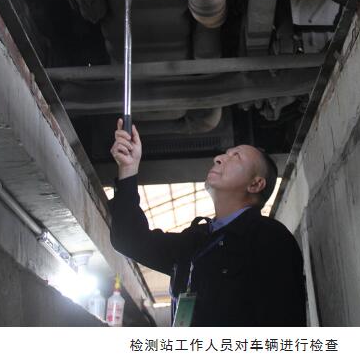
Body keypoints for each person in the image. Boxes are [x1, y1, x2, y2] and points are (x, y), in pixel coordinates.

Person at [108, 118, 307, 326]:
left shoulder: (270, 238)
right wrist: (128, 168)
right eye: (225, 153)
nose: (219, 158)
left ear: (256, 184)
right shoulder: (195, 239)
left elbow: (286, 319)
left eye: (236, 156)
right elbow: (129, 240)